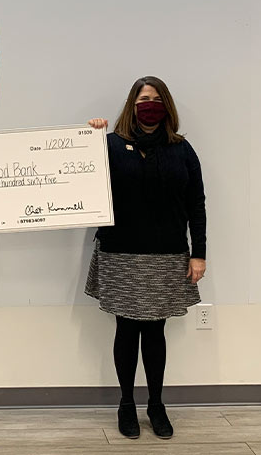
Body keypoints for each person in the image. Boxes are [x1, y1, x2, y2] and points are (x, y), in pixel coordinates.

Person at [86, 76, 207, 440]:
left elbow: (196, 205)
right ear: (131, 106)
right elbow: (79, 178)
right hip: (120, 252)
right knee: (126, 330)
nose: (149, 105)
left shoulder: (182, 149)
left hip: (165, 254)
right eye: (143, 99)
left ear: (165, 106)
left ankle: (156, 405)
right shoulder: (108, 146)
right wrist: (91, 138)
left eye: (155, 99)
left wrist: (199, 254)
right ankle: (126, 404)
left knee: (155, 331)